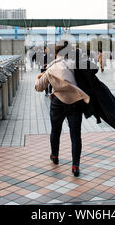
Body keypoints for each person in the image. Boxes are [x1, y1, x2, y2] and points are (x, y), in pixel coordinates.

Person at [35, 41, 90, 177]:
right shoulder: (75, 65)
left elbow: (39, 87)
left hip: (57, 103)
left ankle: (54, 156)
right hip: (76, 102)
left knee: (55, 130)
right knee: (75, 135)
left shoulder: (51, 68)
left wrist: (38, 78)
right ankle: (75, 165)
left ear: (56, 53)